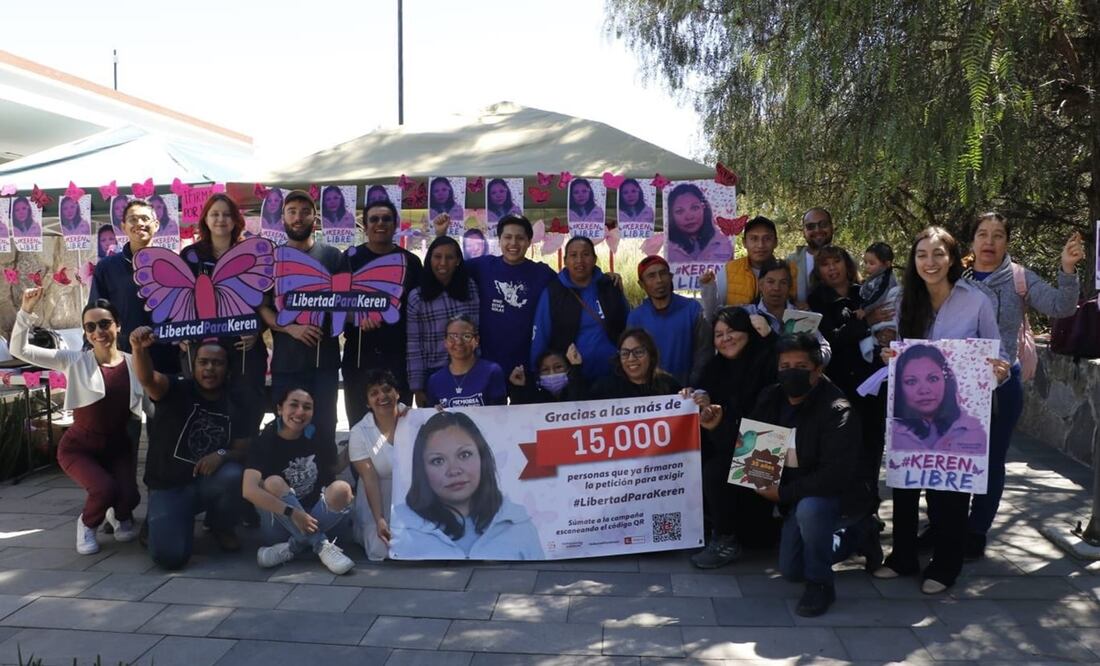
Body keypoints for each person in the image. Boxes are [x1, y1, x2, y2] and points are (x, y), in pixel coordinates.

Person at [873, 226, 1009, 595]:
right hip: (912, 407)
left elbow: (999, 353)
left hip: (962, 410)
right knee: (905, 482)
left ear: (952, 259)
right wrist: (891, 355)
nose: (929, 262)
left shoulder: (977, 300)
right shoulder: (906, 299)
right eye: (921, 255)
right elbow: (901, 345)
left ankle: (946, 566)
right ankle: (902, 557)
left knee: (950, 490)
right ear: (913, 260)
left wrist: (998, 371)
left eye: (937, 254)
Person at [708, 333, 878, 616]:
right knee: (791, 570)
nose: (791, 373)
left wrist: (783, 493)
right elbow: (750, 450)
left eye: (800, 367)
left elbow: (834, 476)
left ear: (818, 370)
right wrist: (718, 427)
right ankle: (859, 536)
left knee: (812, 509)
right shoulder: (770, 398)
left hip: (839, 496)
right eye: (784, 366)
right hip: (797, 497)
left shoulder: (838, 410)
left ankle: (820, 585)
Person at [961, 212, 1082, 558]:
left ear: (1007, 242)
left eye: (998, 235)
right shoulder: (957, 279)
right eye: (982, 234)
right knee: (957, 457)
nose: (989, 241)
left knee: (991, 460)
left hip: (1002, 386)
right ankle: (948, 524)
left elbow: (1062, 306)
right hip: (961, 384)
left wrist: (1067, 268)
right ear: (972, 240)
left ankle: (976, 529)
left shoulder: (1019, 278)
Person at [11, 289, 143, 555]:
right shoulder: (74, 361)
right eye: (90, 327)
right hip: (79, 448)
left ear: (118, 325)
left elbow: (155, 393)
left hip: (118, 446)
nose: (98, 331)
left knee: (131, 496)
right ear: (85, 332)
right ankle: (87, 523)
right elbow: (20, 349)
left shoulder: (133, 363)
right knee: (103, 489)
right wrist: (26, 311)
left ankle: (118, 514)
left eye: (104, 323)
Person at [131, 327, 249, 569]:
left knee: (235, 474)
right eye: (203, 362)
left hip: (206, 483)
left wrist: (221, 455)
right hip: (169, 486)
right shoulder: (174, 389)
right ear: (193, 366)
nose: (210, 368)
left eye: (217, 363)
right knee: (170, 558)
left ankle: (221, 525)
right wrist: (139, 350)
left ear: (227, 368)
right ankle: (158, 520)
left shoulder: (237, 402)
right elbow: (148, 379)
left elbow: (243, 450)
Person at [689, 307, 780, 569]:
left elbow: (761, 437)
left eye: (731, 331)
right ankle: (721, 533)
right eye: (718, 335)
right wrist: (696, 402)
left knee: (757, 537)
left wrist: (720, 426)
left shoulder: (769, 365)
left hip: (764, 458)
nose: (725, 339)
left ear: (748, 332)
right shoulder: (713, 369)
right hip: (730, 449)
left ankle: (729, 538)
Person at [391, 410, 544, 559]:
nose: (454, 470)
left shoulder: (518, 523)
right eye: (438, 461)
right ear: (421, 469)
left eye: (464, 455)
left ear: (482, 458)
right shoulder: (401, 524)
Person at [258, 190, 343, 444]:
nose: (298, 217)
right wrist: (290, 328)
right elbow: (263, 307)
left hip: (324, 364)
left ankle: (326, 470)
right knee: (287, 429)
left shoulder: (333, 257)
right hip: (287, 364)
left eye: (305, 212)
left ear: (314, 219)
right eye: (292, 211)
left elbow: (346, 303)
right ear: (283, 218)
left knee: (325, 427)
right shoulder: (272, 259)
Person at [181, 194, 268, 437]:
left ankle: (245, 453)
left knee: (247, 405)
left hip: (243, 346)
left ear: (235, 220)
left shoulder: (251, 254)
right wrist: (180, 332)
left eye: (227, 214)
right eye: (215, 214)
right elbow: (178, 298)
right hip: (202, 344)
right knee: (204, 408)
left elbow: (265, 299)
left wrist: (256, 329)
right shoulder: (190, 255)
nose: (221, 219)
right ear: (205, 219)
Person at [244, 386, 355, 574]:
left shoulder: (316, 435)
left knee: (342, 488)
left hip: (318, 518)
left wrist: (359, 440)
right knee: (273, 482)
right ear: (280, 409)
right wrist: (293, 513)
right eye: (293, 405)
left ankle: (292, 548)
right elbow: (248, 490)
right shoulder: (265, 441)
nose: (300, 412)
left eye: (307, 407)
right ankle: (321, 545)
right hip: (283, 521)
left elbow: (334, 468)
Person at [434, 213, 556, 374]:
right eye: (508, 237)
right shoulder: (483, 266)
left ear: (528, 241)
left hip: (528, 365)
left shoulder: (542, 273)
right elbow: (448, 267)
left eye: (520, 238)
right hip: (486, 365)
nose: (513, 243)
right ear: (499, 240)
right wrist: (441, 235)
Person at [808, 245, 886, 499]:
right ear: (819, 271)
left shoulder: (865, 291)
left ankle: (870, 505)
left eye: (836, 261)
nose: (832, 268)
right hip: (840, 386)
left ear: (847, 264)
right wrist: (866, 322)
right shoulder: (816, 299)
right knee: (844, 449)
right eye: (825, 264)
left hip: (873, 382)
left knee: (872, 444)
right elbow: (830, 339)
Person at [342, 199, 423, 425]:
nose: (380, 223)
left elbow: (420, 309)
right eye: (374, 219)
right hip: (360, 354)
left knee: (399, 424)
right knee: (360, 424)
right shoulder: (349, 259)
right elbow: (335, 304)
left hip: (398, 355)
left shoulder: (411, 262)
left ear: (395, 224)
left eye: (386, 219)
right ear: (365, 225)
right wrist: (357, 317)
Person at [90, 199, 180, 378]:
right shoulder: (107, 268)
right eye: (133, 219)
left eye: (145, 219)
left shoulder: (173, 263)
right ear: (123, 227)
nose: (139, 223)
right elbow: (96, 313)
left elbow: (183, 308)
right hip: (124, 357)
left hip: (168, 357)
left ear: (156, 225)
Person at [530, 236, 629, 381]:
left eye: (585, 254)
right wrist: (536, 373)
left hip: (614, 374)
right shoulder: (553, 292)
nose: (579, 260)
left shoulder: (610, 286)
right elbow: (541, 334)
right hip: (571, 378)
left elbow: (628, 326)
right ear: (565, 261)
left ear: (594, 259)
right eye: (573, 255)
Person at [407, 236, 480, 406]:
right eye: (437, 257)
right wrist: (417, 387)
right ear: (429, 259)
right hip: (433, 373)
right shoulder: (417, 297)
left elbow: (477, 331)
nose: (443, 263)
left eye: (449, 257)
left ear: (458, 261)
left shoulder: (470, 289)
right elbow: (414, 344)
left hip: (469, 370)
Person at [627, 255, 711, 386]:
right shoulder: (636, 317)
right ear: (641, 284)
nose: (659, 280)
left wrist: (693, 384)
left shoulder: (692, 309)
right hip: (650, 391)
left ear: (671, 277)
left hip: (687, 391)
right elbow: (632, 358)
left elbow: (704, 352)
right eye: (651, 276)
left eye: (663, 273)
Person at [349, 370, 406, 561]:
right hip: (377, 500)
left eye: (387, 389)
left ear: (397, 393)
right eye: (374, 393)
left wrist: (439, 416)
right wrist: (379, 519)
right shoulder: (359, 432)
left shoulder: (416, 419)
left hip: (413, 498)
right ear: (367, 402)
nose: (382, 396)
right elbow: (369, 479)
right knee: (380, 549)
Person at [891, 344, 987, 453]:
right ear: (899, 387)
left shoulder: (974, 430)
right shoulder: (892, 431)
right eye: (911, 381)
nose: (924, 390)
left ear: (947, 382)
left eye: (933, 379)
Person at [701, 216, 797, 317]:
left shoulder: (791, 271)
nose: (760, 245)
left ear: (775, 242)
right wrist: (708, 288)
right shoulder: (728, 271)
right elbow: (715, 314)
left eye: (767, 239)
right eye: (754, 239)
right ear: (744, 243)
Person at [741, 259, 832, 365]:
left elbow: (825, 349)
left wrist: (807, 359)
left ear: (789, 286)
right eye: (770, 282)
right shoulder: (747, 313)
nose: (776, 288)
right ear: (760, 284)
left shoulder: (801, 316)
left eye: (783, 282)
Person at [426, 316, 507, 407]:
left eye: (466, 336)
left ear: (476, 340)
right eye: (452, 337)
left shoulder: (492, 372)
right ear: (445, 342)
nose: (459, 342)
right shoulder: (435, 380)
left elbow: (500, 413)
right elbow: (432, 414)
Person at [590, 328, 682, 399]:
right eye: (625, 353)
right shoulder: (605, 389)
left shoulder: (669, 385)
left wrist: (688, 397)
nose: (631, 358)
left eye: (638, 352)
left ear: (651, 355)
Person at [665, 183, 731, 263]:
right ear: (671, 215)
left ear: (704, 209)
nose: (689, 217)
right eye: (680, 211)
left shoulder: (723, 243)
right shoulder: (667, 247)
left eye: (694, 208)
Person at [789, 207, 835, 307]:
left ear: (832, 227)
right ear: (803, 232)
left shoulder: (846, 261)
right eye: (810, 226)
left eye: (823, 224)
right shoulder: (790, 263)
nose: (817, 230)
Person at [508, 345, 586, 404]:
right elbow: (517, 413)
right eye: (545, 369)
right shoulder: (534, 399)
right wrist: (518, 388)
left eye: (558, 367)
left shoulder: (583, 389)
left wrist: (576, 369)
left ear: (568, 369)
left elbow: (577, 403)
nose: (552, 373)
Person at [859, 242, 900, 344]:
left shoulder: (885, 279)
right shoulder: (874, 278)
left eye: (872, 263)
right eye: (866, 262)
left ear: (887, 264)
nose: (867, 266)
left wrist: (864, 309)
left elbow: (879, 296)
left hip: (887, 321)